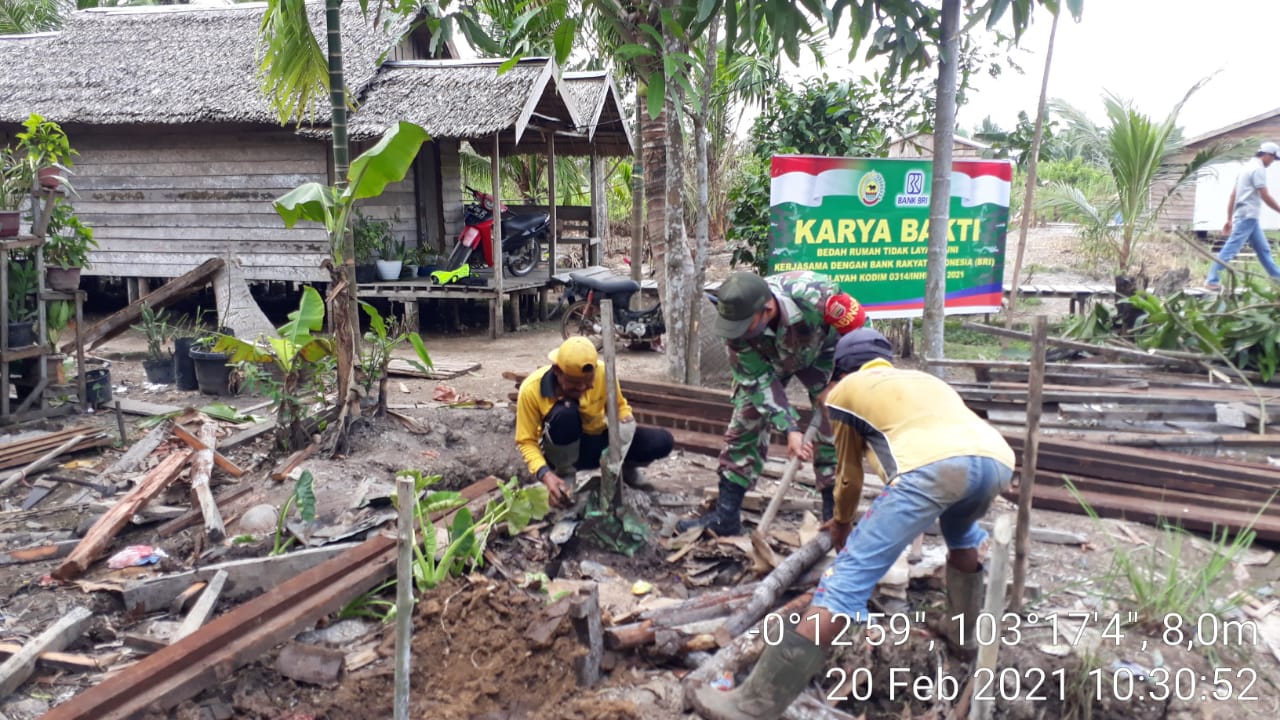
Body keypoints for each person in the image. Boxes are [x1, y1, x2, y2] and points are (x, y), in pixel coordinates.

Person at [691, 328, 1015, 720]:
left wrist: (841, 524)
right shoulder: (923, 380)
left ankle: (752, 705)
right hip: (996, 460)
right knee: (962, 534)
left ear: (840, 371)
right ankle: (964, 637)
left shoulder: (845, 392)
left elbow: (848, 475)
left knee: (844, 584)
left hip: (931, 469)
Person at [677, 270, 864, 536]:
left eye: (746, 325)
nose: (739, 333)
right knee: (745, 421)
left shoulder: (817, 296)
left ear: (767, 309)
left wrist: (837, 381)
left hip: (826, 353)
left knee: (832, 423)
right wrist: (790, 429)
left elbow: (861, 334)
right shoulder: (735, 327)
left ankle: (834, 516)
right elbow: (757, 381)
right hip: (770, 360)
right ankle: (726, 517)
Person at [516, 337, 675, 508]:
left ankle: (625, 468)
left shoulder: (603, 372)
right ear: (557, 371)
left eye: (588, 382)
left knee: (662, 441)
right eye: (575, 383)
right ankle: (565, 475)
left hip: (595, 443)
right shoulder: (531, 389)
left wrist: (625, 424)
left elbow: (620, 407)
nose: (582, 388)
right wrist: (545, 474)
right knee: (565, 413)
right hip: (560, 450)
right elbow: (526, 441)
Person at [1206, 141, 1280, 290]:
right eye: (1273, 158)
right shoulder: (1258, 169)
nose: (1272, 162)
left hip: (1247, 216)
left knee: (1263, 250)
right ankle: (1212, 280)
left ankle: (1278, 279)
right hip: (1248, 215)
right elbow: (1264, 195)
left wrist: (1229, 219)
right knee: (1231, 247)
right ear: (1267, 155)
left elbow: (1233, 195)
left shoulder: (1246, 168)